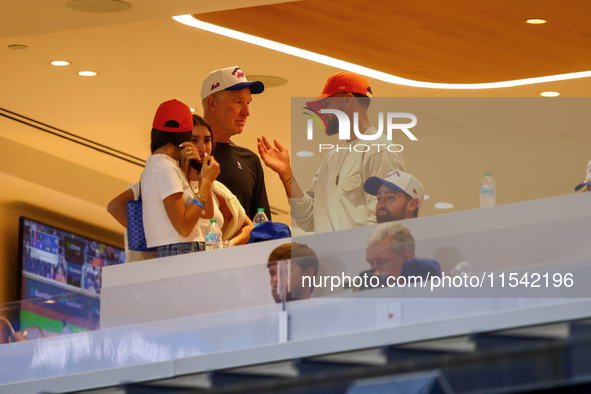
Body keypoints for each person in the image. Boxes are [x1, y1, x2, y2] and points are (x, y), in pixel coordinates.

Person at [258, 71, 406, 233]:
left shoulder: (379, 149)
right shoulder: (332, 158)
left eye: (326, 104)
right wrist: (287, 174)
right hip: (331, 256)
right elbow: (308, 218)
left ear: (348, 99)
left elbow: (386, 222)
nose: (321, 111)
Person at [108, 110, 253, 259]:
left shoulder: (214, 186)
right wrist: (155, 239)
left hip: (206, 259)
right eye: (194, 140)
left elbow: (246, 225)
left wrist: (228, 245)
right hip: (173, 255)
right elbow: (115, 206)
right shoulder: (165, 176)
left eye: (207, 140)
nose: (202, 147)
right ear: (181, 143)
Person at [201, 66, 272, 221]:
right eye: (239, 102)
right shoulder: (188, 154)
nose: (247, 112)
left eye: (248, 103)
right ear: (212, 103)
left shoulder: (250, 160)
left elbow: (262, 227)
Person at [359, 222, 441, 290]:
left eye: (382, 262)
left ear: (408, 260)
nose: (374, 271)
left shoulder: (429, 292)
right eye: (371, 263)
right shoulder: (372, 297)